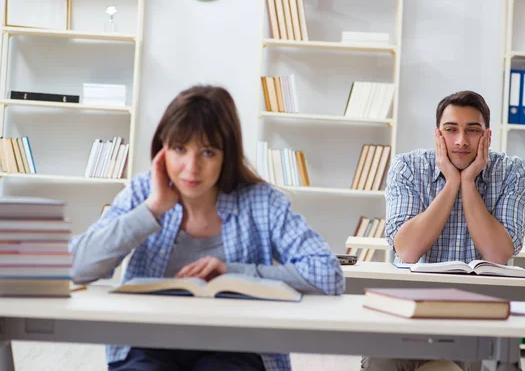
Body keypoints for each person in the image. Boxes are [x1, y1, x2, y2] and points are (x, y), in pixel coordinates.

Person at [70, 85, 345, 371]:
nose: (191, 167)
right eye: (179, 149)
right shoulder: (143, 193)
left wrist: (233, 271)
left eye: (208, 152)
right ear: (162, 149)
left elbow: (328, 274)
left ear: (227, 155)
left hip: (235, 348)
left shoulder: (263, 202)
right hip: (148, 345)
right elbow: (76, 266)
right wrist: (151, 209)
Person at [361, 90, 525, 371]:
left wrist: (468, 183)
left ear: (487, 136)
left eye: (472, 130)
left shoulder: (513, 171)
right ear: (438, 135)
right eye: (451, 130)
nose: (461, 141)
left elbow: (497, 253)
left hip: (479, 315)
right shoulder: (407, 167)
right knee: (381, 362)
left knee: (493, 361)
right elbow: (407, 250)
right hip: (409, 310)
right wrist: (451, 182)